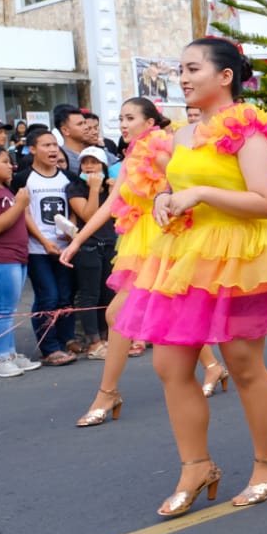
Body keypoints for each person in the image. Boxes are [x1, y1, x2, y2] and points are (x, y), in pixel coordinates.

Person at [114, 38, 267, 517]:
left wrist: (201, 193)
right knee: (169, 365)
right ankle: (196, 465)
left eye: (192, 68)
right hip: (186, 257)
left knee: (245, 365)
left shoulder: (247, 131)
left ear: (225, 76)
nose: (183, 78)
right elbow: (178, 189)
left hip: (241, 257)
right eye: (180, 70)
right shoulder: (182, 136)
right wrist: (168, 199)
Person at [61, 98, 174, 425]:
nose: (123, 124)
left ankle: (108, 393)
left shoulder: (161, 151)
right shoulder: (131, 155)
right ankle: (210, 367)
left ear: (150, 122)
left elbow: (186, 189)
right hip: (141, 241)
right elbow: (112, 202)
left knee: (128, 314)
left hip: (164, 240)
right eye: (120, 118)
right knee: (151, 316)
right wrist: (78, 240)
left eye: (130, 118)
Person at [12, 127, 79, 365]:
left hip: (64, 247)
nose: (52, 150)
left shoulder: (67, 177)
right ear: (32, 150)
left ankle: (65, 341)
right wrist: (43, 241)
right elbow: (25, 213)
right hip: (37, 249)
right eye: (46, 145)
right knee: (47, 296)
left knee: (65, 296)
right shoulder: (23, 178)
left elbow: (73, 208)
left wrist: (72, 233)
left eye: (54, 145)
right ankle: (49, 348)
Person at [65, 146, 119, 358]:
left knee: (107, 293)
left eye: (94, 162)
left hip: (109, 245)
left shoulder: (111, 187)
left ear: (103, 165)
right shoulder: (75, 187)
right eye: (85, 162)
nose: (89, 166)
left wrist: (112, 190)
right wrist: (94, 190)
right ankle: (93, 342)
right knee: (89, 295)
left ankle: (105, 338)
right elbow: (89, 216)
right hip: (87, 246)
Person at [0, 145, 41, 377]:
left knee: (8, 309)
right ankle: (0, 357)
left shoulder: (7, 191)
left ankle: (9, 353)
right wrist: (20, 205)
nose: (10, 166)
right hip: (1, 256)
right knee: (1, 309)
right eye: (4, 161)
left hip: (17, 255)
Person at [53, 104, 88, 173]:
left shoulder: (94, 150)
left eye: (85, 123)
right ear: (65, 130)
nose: (86, 127)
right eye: (80, 124)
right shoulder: (61, 157)